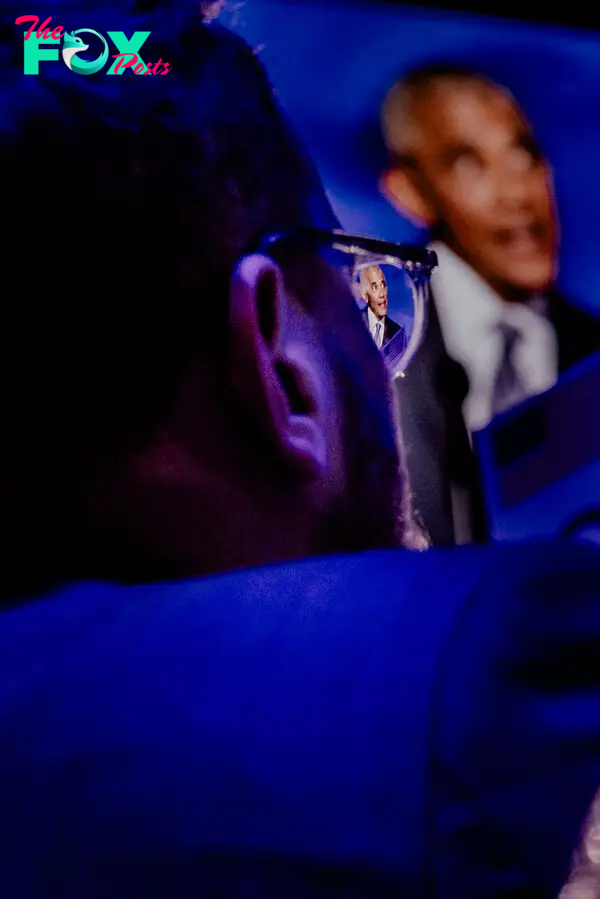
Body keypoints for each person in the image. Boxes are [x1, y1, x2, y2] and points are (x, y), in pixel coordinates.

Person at [2, 6, 600, 898]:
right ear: (283, 361)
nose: (518, 194)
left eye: (526, 152)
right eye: (366, 303)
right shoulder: (492, 715)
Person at [379, 63, 600, 545]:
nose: (516, 192)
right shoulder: (375, 343)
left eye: (524, 155)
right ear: (410, 192)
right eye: (468, 164)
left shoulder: (593, 348)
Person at [359, 264, 406, 350]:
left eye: (383, 285)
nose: (382, 294)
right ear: (364, 295)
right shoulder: (353, 324)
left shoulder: (397, 332)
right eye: (374, 288)